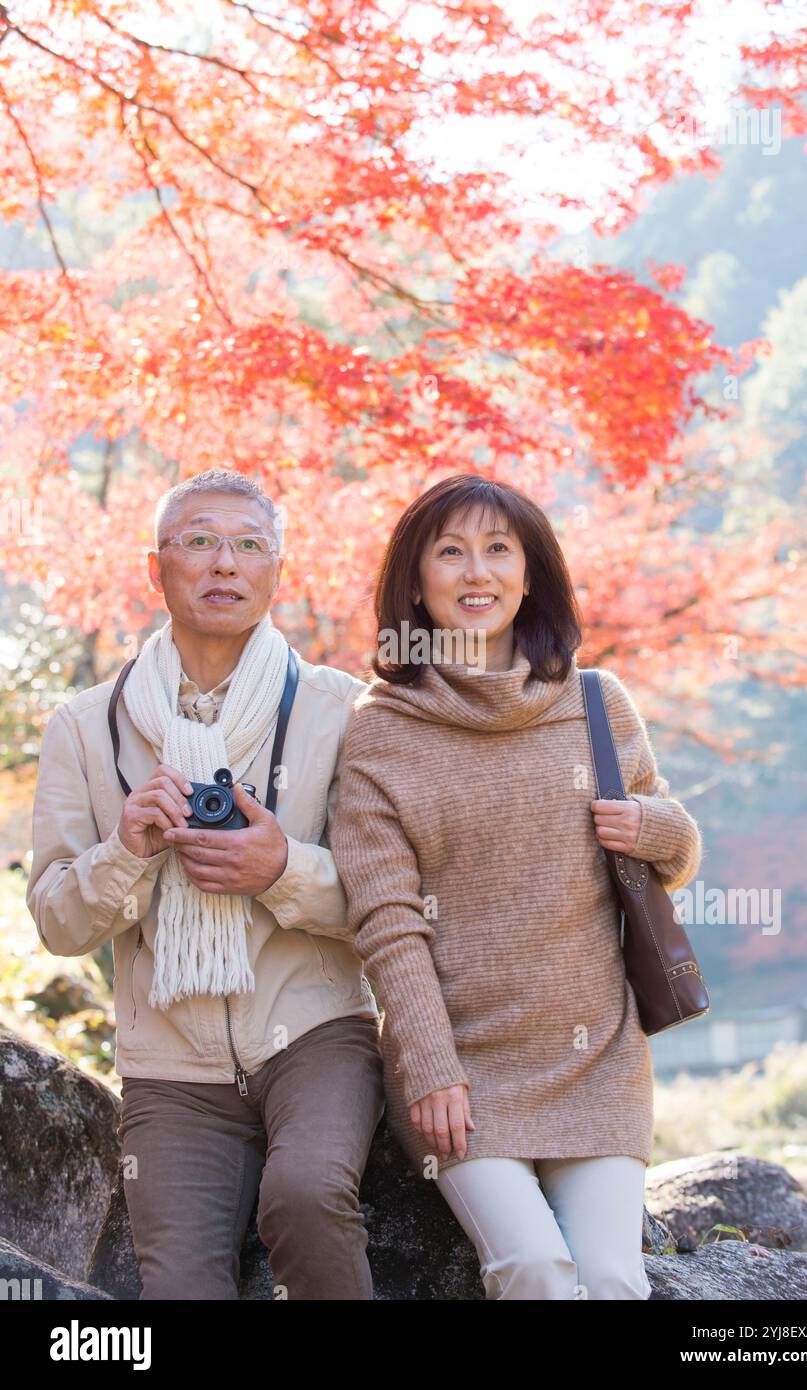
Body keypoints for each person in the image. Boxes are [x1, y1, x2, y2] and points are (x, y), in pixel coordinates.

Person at [330, 472, 703, 1301]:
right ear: (415, 581)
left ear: (529, 574)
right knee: (533, 1267)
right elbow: (387, 922)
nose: (477, 573)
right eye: (450, 552)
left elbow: (673, 849)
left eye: (500, 550)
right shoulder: (381, 732)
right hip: (465, 1070)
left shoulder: (597, 703)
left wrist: (650, 828)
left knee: (610, 1277)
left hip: (596, 1058)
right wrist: (429, 1066)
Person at [26, 467, 384, 1300]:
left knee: (306, 1196)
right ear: (157, 568)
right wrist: (126, 850)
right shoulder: (86, 725)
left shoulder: (340, 710)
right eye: (198, 541)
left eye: (249, 545)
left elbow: (396, 900)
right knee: (178, 1285)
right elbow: (56, 921)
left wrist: (281, 869)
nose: (225, 563)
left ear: (276, 573)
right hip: (168, 1066)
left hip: (316, 1036)